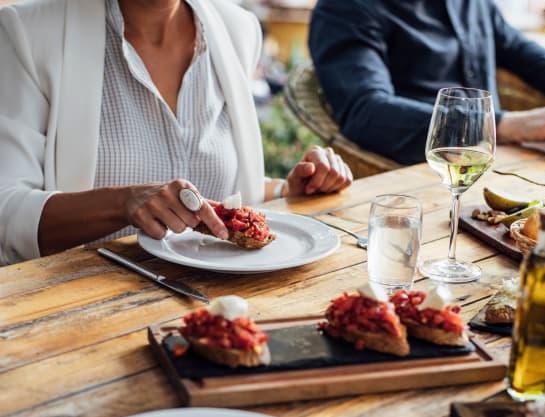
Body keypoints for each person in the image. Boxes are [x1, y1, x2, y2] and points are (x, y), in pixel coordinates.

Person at [0, 0, 352, 266]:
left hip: (217, 308)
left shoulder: (237, 29)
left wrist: (289, 189)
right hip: (84, 310)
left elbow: (210, 192)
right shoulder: (26, 32)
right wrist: (122, 204)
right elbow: (6, 213)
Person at [309, 0, 545, 167]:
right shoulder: (345, 8)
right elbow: (366, 112)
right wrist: (503, 125)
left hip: (503, 169)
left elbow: (518, 50)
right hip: (414, 180)